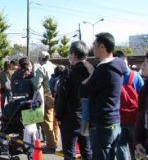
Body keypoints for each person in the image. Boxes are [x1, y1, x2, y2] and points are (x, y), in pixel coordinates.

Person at [80, 32, 127, 160]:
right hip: (115, 120)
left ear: (102, 47)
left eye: (94, 45)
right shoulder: (119, 64)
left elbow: (84, 91)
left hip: (102, 122)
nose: (92, 48)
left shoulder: (103, 69)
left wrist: (86, 81)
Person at [55, 41, 93, 160]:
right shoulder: (93, 71)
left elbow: (61, 96)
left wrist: (59, 116)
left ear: (74, 55)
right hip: (87, 118)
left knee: (70, 153)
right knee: (87, 151)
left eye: (69, 53)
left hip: (70, 119)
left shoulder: (70, 73)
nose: (69, 56)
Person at [114, 50, 144, 160]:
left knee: (120, 147)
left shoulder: (114, 76)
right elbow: (143, 97)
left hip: (119, 118)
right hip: (135, 119)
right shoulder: (136, 76)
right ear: (126, 60)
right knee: (135, 147)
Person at [31, 51, 58, 153]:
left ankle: (51, 145)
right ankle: (55, 141)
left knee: (46, 121)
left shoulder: (41, 69)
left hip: (47, 96)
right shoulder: (54, 66)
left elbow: (37, 84)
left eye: (38, 58)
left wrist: (31, 79)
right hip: (57, 96)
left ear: (41, 58)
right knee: (55, 121)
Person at [134, 61, 148, 160]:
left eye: (146, 63)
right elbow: (141, 117)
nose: (142, 66)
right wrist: (138, 142)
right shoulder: (145, 89)